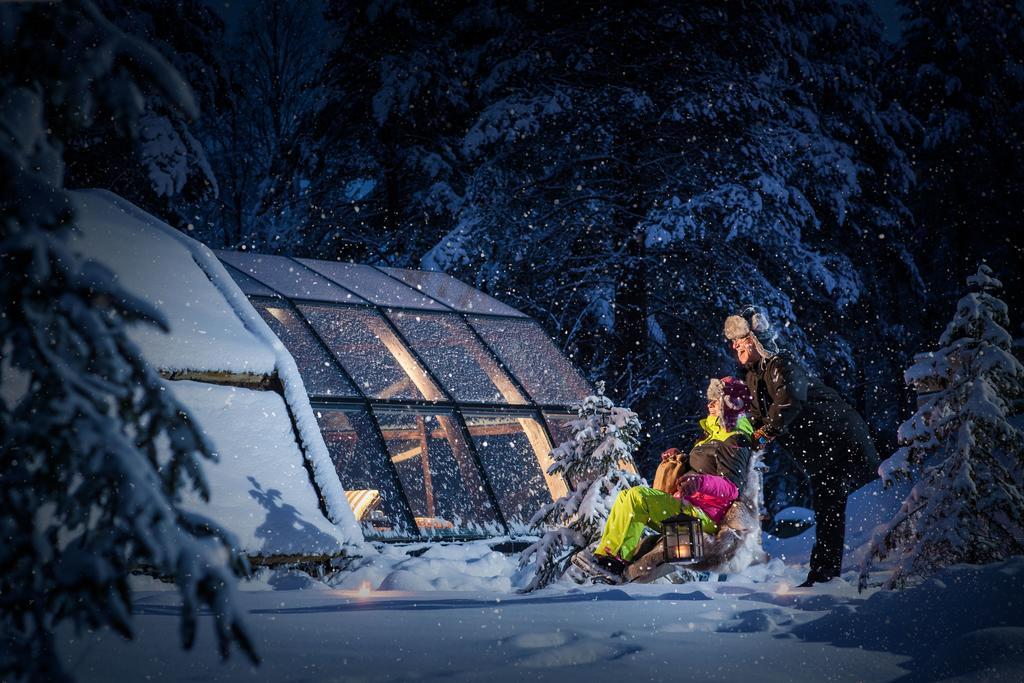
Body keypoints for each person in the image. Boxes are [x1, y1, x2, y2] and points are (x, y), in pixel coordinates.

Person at [723, 305, 878, 587]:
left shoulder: (781, 364)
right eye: (732, 341)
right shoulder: (755, 376)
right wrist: (738, 437)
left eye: (740, 338)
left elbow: (790, 399)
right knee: (828, 505)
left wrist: (765, 433)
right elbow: (757, 417)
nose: (734, 346)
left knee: (855, 502)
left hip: (840, 438)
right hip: (820, 449)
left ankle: (845, 571)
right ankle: (825, 575)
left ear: (755, 339)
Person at [578, 377, 755, 578]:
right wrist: (681, 458)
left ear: (730, 404)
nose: (710, 405)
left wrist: (700, 483)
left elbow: (731, 487)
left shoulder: (735, 438)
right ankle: (612, 560)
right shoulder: (713, 433)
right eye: (710, 400)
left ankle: (612, 562)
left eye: (716, 400)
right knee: (630, 498)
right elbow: (704, 466)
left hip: (703, 516)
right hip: (689, 506)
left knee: (637, 497)